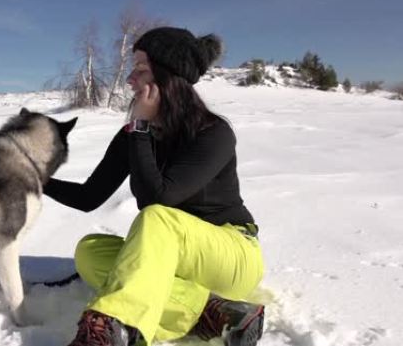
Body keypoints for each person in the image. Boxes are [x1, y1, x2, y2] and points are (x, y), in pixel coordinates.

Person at [43, 27, 265, 346]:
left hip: (232, 254)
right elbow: (89, 197)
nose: (130, 79)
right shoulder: (134, 136)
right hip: (174, 256)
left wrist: (141, 129)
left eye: (141, 69)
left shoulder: (213, 133)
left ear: (167, 77)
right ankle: (223, 313)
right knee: (90, 251)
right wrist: (37, 180)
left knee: (156, 218)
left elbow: (157, 199)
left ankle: (115, 331)